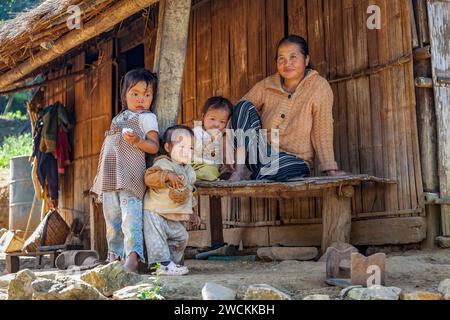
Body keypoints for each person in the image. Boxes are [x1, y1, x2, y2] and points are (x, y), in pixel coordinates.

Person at [230, 35, 346, 181]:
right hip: (260, 155)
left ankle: (254, 174)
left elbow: (322, 129)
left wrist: (330, 168)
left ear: (306, 60)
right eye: (281, 59)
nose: (287, 63)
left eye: (293, 57)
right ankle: (240, 171)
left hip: (294, 160)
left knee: (272, 168)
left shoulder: (319, 87)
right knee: (242, 106)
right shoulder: (267, 85)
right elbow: (240, 115)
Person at [91, 68, 160, 272]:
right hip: (111, 177)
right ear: (124, 95)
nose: (141, 99)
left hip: (131, 177)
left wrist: (139, 141)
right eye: (135, 94)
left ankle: (133, 257)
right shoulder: (118, 118)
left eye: (147, 95)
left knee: (131, 217)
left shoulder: (147, 118)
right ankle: (114, 255)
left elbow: (154, 146)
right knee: (112, 219)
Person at [143, 125, 202, 275]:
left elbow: (189, 192)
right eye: (181, 146)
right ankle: (161, 264)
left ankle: (170, 263)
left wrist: (193, 212)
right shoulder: (163, 164)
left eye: (190, 148)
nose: (186, 151)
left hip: (174, 217)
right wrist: (167, 175)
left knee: (182, 238)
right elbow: (148, 178)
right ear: (168, 147)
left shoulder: (189, 171)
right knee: (156, 238)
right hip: (156, 212)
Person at [192, 96, 234, 181]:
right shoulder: (196, 132)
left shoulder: (223, 137)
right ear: (203, 116)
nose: (216, 124)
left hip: (213, 169)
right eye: (212, 119)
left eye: (222, 122)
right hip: (198, 166)